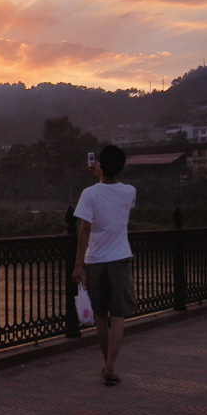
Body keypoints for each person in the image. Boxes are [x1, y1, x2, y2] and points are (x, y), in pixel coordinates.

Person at [71, 144, 137, 386]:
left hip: (96, 260)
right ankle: (110, 367)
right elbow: (113, 192)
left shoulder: (89, 194)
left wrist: (77, 266)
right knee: (118, 315)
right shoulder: (130, 192)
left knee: (100, 315)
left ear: (99, 163)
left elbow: (84, 231)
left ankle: (106, 364)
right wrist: (103, 175)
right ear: (121, 167)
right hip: (120, 260)